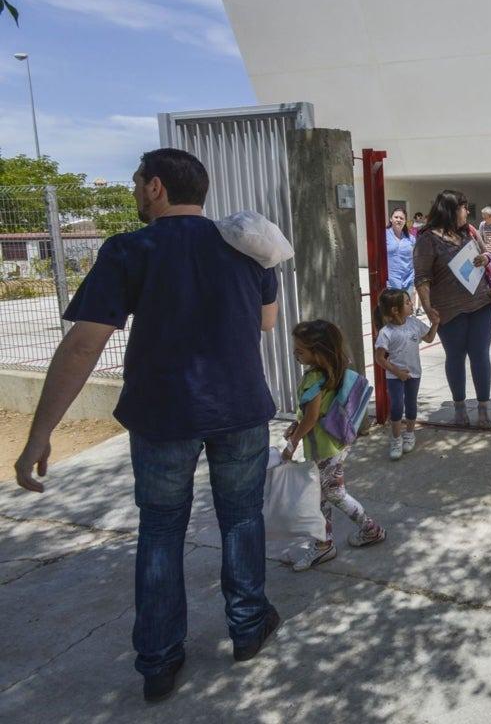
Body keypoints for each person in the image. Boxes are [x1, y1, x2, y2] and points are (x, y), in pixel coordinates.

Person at [13, 148, 281, 702]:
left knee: (161, 530)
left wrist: (41, 432)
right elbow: (265, 321)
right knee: (241, 518)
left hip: (163, 414)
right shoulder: (246, 245)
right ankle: (249, 627)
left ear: (156, 187)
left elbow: (86, 342)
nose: (135, 191)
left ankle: (159, 661)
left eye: (137, 182)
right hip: (241, 408)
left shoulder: (130, 249)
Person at [283, 320, 386, 569]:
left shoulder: (313, 379)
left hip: (323, 448)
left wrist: (293, 442)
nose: (296, 355)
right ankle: (323, 543)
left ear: (317, 352)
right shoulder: (335, 372)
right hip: (337, 443)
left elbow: (311, 416)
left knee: (331, 493)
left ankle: (366, 530)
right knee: (321, 495)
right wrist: (296, 427)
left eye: (300, 351)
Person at [414, 189, 491, 428]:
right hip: (448, 310)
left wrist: (486, 259)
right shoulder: (427, 239)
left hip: (482, 303)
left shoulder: (468, 232)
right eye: (464, 207)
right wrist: (428, 308)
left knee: (480, 355)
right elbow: (421, 278)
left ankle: (483, 409)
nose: (467, 212)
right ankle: (460, 410)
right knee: (456, 357)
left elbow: (487, 254)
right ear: (450, 210)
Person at [373, 287, 438, 460]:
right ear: (395, 310)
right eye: (408, 302)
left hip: (414, 373)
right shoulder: (386, 332)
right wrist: (397, 372)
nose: (411, 304)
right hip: (395, 376)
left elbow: (430, 338)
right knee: (396, 406)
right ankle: (396, 439)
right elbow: (380, 358)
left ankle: (409, 434)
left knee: (411, 404)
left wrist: (436, 323)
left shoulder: (415, 323)